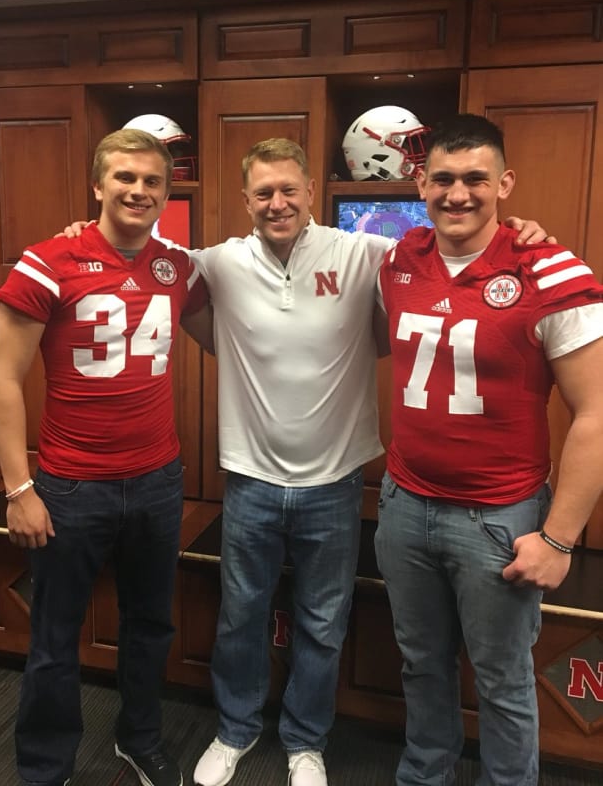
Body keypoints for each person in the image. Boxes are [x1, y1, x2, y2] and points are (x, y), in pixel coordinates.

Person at [63, 137, 549, 786]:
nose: (278, 203)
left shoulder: (367, 253)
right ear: (245, 200)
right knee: (242, 615)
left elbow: (457, 242)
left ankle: (306, 744)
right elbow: (133, 250)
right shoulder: (214, 263)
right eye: (263, 193)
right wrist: (82, 227)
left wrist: (519, 229)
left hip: (335, 481)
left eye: (289, 190)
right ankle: (234, 731)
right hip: (251, 480)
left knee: (323, 622)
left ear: (312, 191)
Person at [373, 113, 603, 786]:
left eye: (476, 178)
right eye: (443, 179)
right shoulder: (398, 257)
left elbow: (595, 411)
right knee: (421, 663)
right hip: (405, 504)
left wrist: (559, 540)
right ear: (421, 183)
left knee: (503, 680)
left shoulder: (552, 269)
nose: (458, 193)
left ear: (504, 183)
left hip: (499, 519)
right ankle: (427, 775)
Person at [0, 128, 211, 786]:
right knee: (54, 638)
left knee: (150, 625)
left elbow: (229, 327)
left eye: (152, 182)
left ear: (167, 192)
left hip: (158, 481)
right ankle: (45, 766)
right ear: (98, 185)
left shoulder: (175, 266)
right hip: (70, 486)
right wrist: (18, 489)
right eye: (125, 178)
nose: (138, 190)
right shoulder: (48, 260)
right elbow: (2, 377)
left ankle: (138, 739)